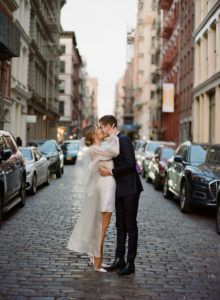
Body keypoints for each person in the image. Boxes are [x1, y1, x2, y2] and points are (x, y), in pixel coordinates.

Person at [67, 124, 119, 272]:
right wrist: (113, 134)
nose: (102, 131)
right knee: (101, 227)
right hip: (104, 188)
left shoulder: (99, 147)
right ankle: (97, 262)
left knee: (100, 225)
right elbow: (115, 152)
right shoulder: (95, 149)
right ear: (93, 135)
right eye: (99, 129)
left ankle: (96, 257)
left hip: (104, 186)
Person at [99, 115, 143, 276]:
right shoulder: (110, 142)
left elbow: (130, 164)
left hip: (131, 188)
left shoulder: (123, 140)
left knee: (130, 226)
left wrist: (110, 171)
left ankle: (130, 263)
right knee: (120, 226)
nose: (101, 130)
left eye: (102, 127)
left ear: (111, 126)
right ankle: (119, 259)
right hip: (118, 189)